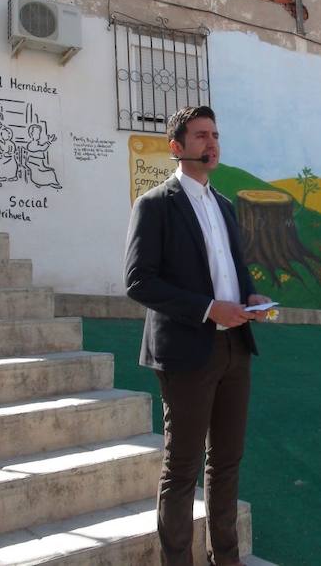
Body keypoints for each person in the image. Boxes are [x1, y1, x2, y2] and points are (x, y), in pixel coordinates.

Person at [124, 105, 272, 566]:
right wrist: (209, 309)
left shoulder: (224, 205)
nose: (212, 144)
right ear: (177, 147)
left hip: (235, 349)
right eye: (201, 136)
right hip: (187, 353)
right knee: (183, 470)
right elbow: (138, 281)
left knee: (226, 464)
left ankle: (224, 559)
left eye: (215, 135)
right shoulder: (154, 204)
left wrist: (250, 296)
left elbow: (235, 268)